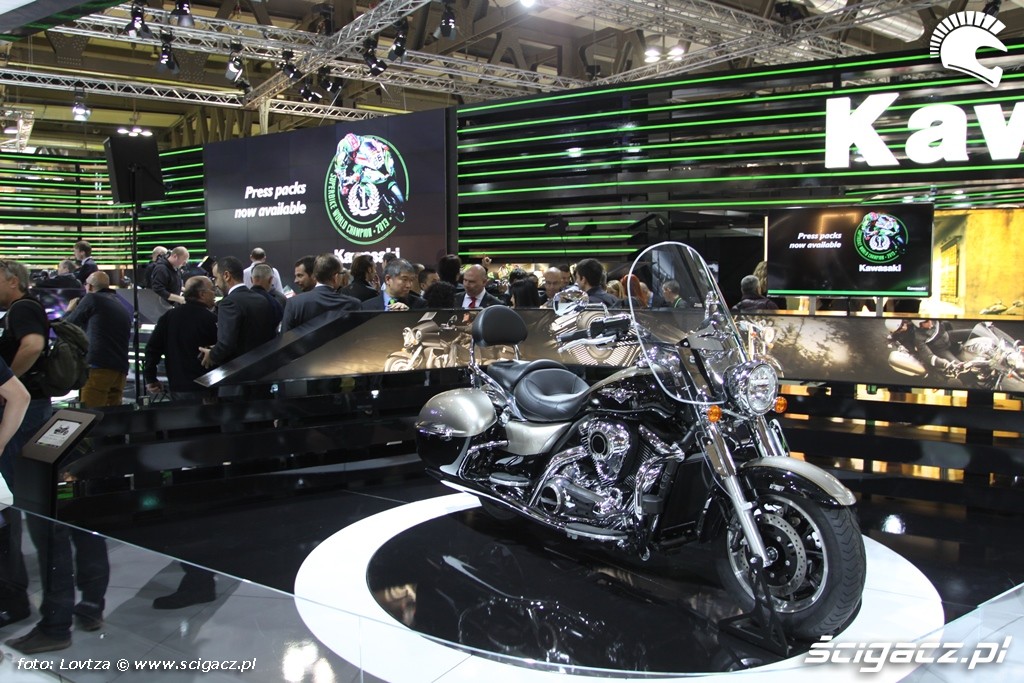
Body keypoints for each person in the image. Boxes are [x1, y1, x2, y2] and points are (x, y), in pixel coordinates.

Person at [200, 257, 278, 397]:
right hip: (262, 378)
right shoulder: (261, 299)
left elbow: (226, 343)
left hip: (237, 382)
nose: (216, 284)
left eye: (216, 278)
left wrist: (212, 354)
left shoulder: (228, 303)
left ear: (226, 275)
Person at [63, 271, 132, 408]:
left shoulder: (91, 298)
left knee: (91, 414)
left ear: (89, 287)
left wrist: (69, 310)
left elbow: (67, 326)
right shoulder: (120, 304)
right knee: (114, 416)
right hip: (120, 370)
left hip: (98, 367)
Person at [144, 276, 218, 402]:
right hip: (206, 385)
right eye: (212, 289)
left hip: (177, 385)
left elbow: (152, 348)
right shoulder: (211, 319)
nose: (215, 294)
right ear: (202, 294)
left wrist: (150, 378)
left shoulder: (168, 317)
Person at [281, 254, 361, 334]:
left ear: (315, 276)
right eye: (341, 273)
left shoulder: (294, 303)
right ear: (336, 277)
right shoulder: (353, 304)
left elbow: (285, 337)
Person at [362, 259, 426, 311]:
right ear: (388, 279)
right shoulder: (367, 307)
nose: (409, 285)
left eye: (411, 280)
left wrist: (408, 314)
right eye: (404, 279)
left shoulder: (420, 305)